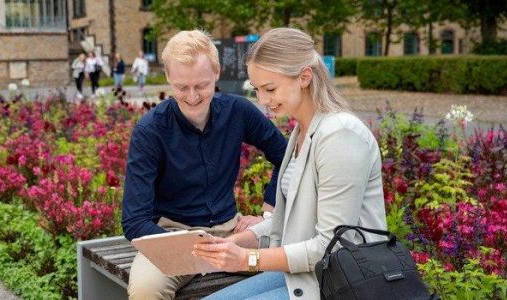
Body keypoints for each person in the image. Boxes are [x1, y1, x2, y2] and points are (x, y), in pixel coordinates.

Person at [192, 28, 387, 300]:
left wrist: (247, 259)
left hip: (344, 284)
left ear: (305, 77)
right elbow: (289, 223)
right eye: (257, 89)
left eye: (270, 89)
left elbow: (329, 247)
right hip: (308, 275)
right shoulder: (302, 132)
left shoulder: (340, 135)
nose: (262, 100)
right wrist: (237, 241)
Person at [122, 29, 287, 299]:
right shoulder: (150, 130)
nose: (192, 96)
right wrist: (189, 248)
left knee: (300, 261)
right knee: (145, 291)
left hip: (232, 232)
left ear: (217, 72)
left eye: (201, 85)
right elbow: (134, 220)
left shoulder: (238, 111)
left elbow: (286, 155)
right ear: (167, 77)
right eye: (181, 87)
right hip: (172, 235)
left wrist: (268, 212)